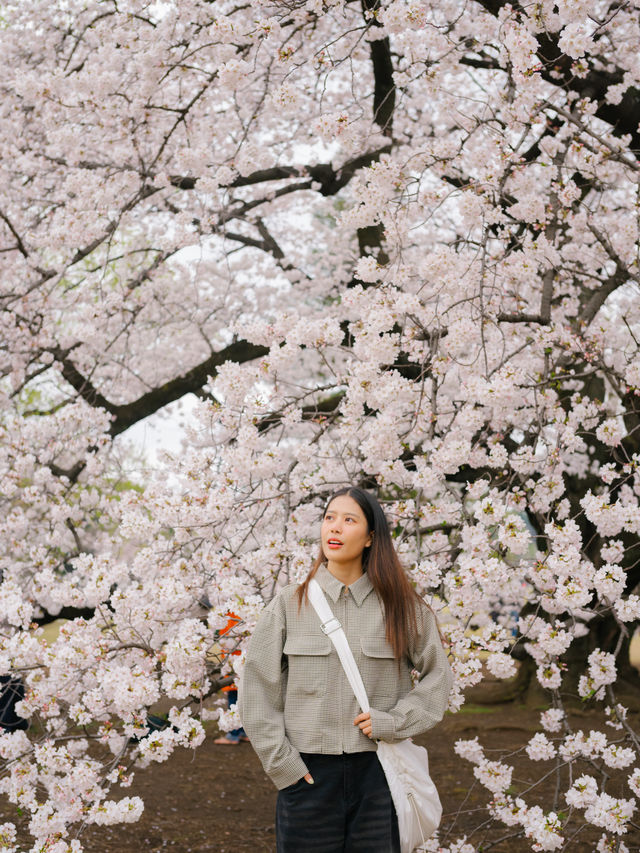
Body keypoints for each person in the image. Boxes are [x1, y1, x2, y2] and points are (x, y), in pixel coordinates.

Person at [238, 486, 452, 852]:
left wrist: (395, 722)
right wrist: (285, 767)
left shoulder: (403, 607)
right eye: (329, 518)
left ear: (371, 537)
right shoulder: (289, 603)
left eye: (348, 520)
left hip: (378, 772)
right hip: (307, 776)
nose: (334, 528)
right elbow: (257, 689)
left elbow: (438, 676)